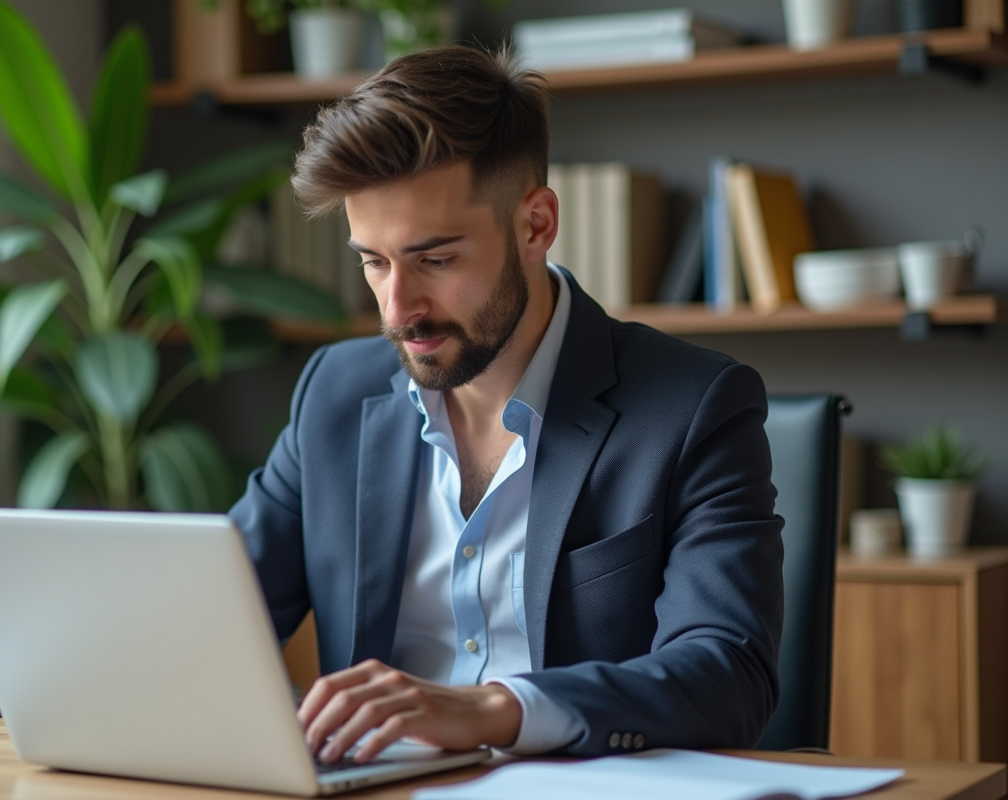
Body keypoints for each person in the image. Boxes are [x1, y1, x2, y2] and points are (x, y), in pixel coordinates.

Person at [229, 45, 783, 765]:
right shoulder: (334, 393)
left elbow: (730, 675)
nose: (398, 308)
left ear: (536, 225)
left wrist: (496, 709)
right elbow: (218, 615)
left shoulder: (695, 406)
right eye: (372, 260)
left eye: (435, 259)